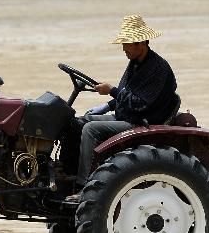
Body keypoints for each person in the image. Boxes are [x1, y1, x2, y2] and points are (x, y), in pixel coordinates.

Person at [75, 15, 178, 187]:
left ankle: (83, 185)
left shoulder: (158, 69)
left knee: (90, 129)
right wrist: (107, 106)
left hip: (142, 123)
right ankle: (66, 172)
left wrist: (112, 91)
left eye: (127, 44)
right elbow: (128, 93)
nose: (124, 48)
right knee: (78, 122)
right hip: (128, 116)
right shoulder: (136, 63)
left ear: (142, 43)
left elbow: (140, 103)